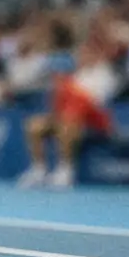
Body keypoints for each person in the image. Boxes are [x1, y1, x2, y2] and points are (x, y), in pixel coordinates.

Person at [19, 24, 114, 189]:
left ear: (96, 55)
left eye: (86, 53)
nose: (81, 57)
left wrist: (67, 96)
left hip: (95, 122)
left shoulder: (103, 74)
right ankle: (39, 169)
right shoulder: (73, 76)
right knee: (34, 125)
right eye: (81, 53)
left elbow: (93, 103)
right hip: (69, 118)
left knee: (67, 123)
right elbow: (59, 104)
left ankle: (66, 171)